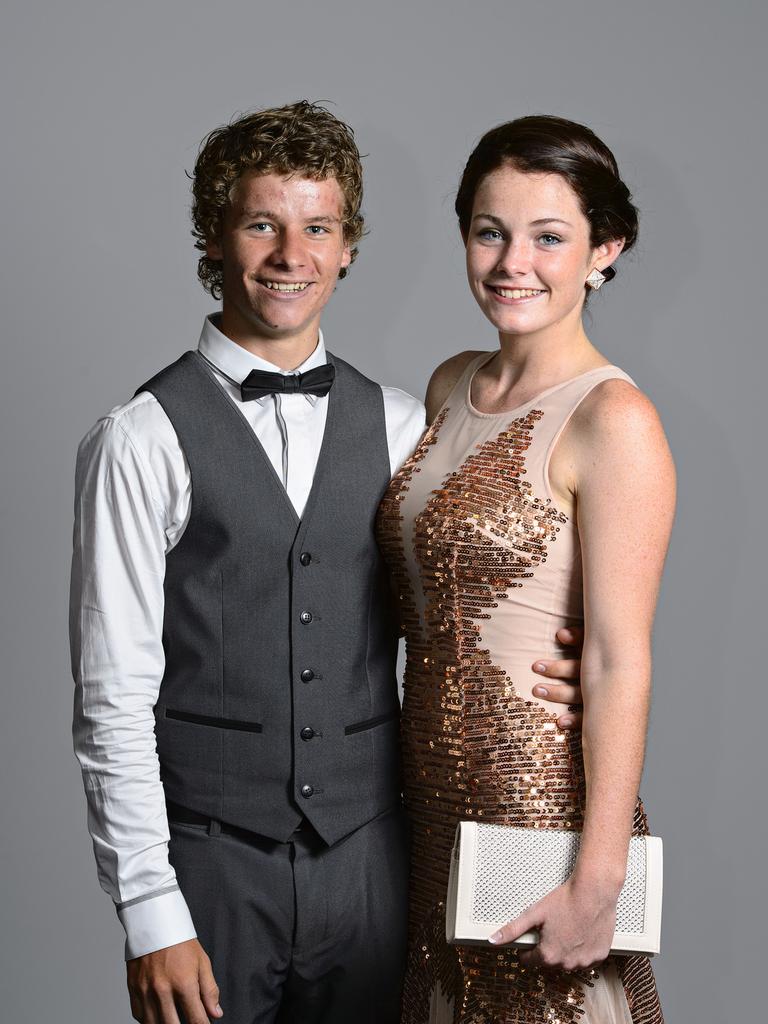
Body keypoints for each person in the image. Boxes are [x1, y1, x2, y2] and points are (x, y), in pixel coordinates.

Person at [70, 102, 587, 1024]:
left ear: (349, 246)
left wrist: (563, 662)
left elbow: (466, 602)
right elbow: (111, 693)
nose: (290, 255)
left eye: (318, 227)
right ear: (216, 237)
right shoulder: (138, 438)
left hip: (372, 864)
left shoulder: (400, 427)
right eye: (262, 223)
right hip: (211, 867)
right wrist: (151, 912)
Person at [376, 115, 675, 1024]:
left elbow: (620, 657)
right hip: (425, 800)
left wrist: (599, 880)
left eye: (550, 237)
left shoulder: (614, 419)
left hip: (537, 801)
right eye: (489, 231)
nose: (514, 262)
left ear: (604, 250)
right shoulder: (447, 384)